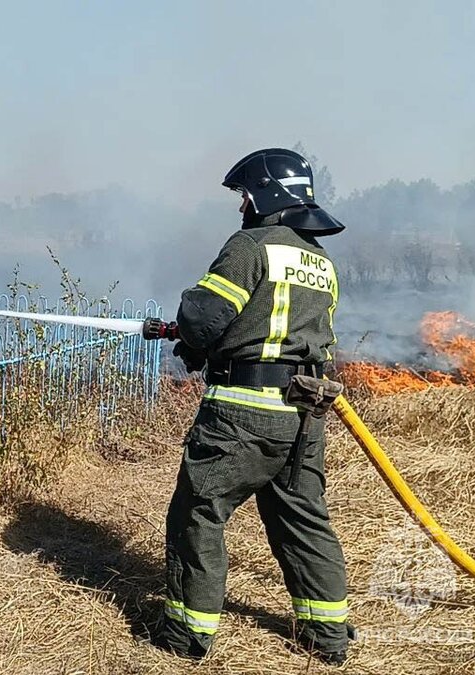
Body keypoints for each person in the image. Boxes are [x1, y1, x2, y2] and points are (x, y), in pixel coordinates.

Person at [151, 148, 355, 664]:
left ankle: (187, 635)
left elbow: (202, 318)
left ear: (266, 193)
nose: (241, 206)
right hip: (306, 414)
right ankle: (326, 637)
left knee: (199, 509)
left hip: (245, 412)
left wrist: (195, 339)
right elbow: (278, 329)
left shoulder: (251, 245)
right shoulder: (320, 261)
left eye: (245, 195)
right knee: (302, 518)